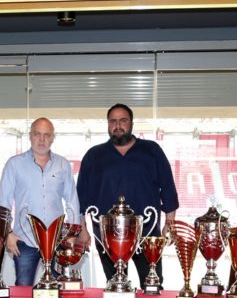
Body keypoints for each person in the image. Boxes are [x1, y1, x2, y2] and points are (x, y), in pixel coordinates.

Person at [77, 103, 179, 285]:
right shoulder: (94, 155)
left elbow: (168, 188)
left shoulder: (152, 150)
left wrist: (169, 223)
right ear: (108, 124)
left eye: (123, 120)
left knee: (153, 286)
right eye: (113, 121)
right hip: (108, 236)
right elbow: (81, 196)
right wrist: (82, 229)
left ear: (131, 123)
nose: (118, 125)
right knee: (115, 287)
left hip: (147, 233)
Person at [0, 117, 80, 286]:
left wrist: (72, 234)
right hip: (24, 239)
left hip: (57, 240)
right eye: (37, 134)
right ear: (30, 136)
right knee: (23, 289)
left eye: (46, 135)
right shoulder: (14, 164)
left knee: (59, 290)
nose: (42, 140)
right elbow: (3, 203)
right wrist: (7, 233)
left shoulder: (63, 164)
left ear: (53, 138)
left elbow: (72, 200)